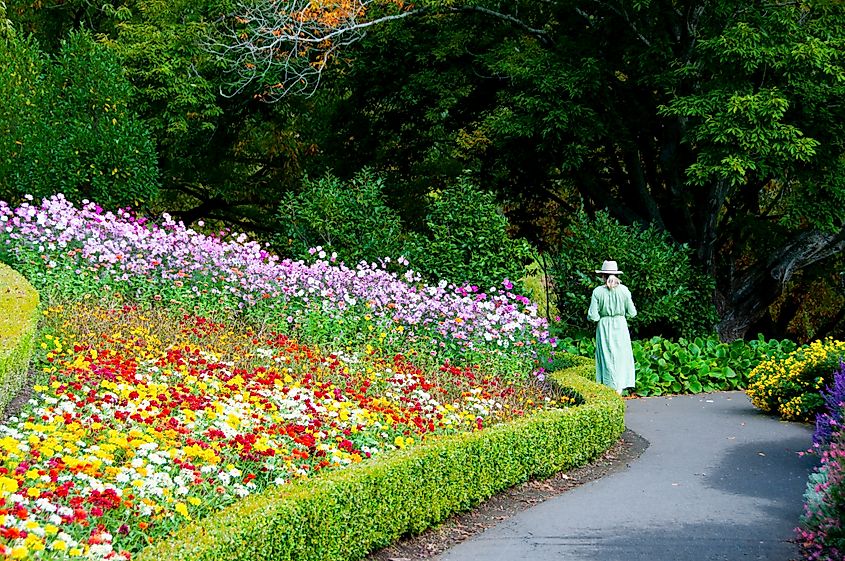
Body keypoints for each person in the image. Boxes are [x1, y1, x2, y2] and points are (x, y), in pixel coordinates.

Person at [587, 260, 637, 395]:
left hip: (604, 326)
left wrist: (600, 318)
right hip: (620, 326)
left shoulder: (597, 292)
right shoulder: (624, 290)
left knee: (607, 357)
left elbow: (593, 316)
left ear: (603, 275)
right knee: (621, 357)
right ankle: (619, 389)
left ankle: (609, 390)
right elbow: (632, 313)